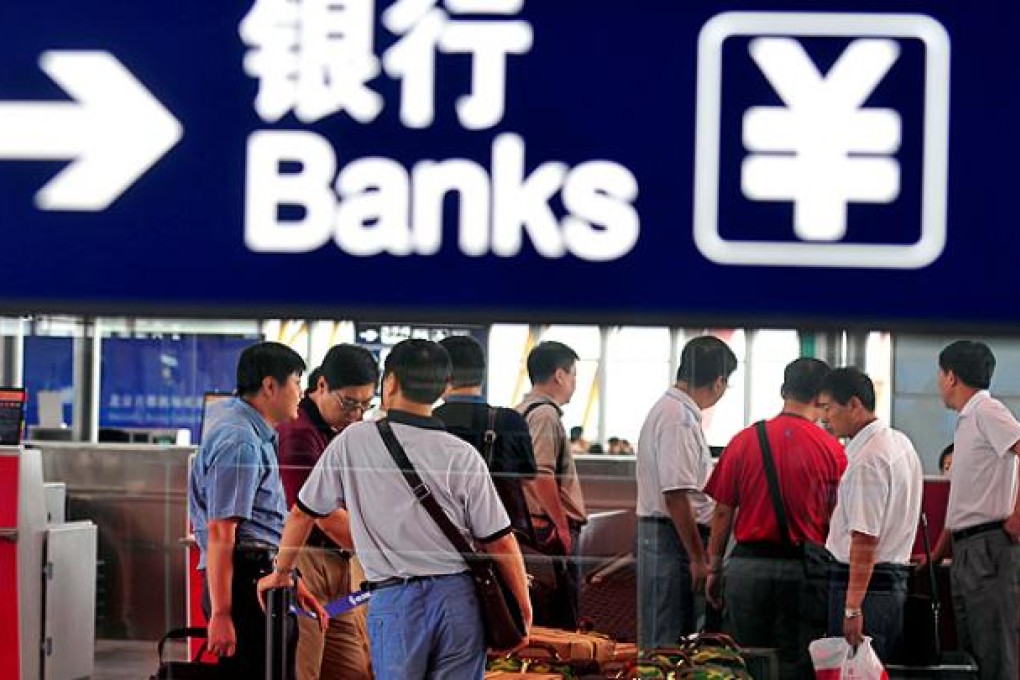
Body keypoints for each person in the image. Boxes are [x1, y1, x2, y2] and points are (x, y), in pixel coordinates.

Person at [258, 339, 532, 680]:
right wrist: (522, 608)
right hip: (459, 601)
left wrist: (281, 572)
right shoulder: (461, 455)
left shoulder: (353, 442)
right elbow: (500, 541)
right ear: (444, 388)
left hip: (397, 600)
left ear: (390, 383)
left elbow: (303, 512)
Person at [187, 341, 326, 678]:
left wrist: (293, 579)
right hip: (245, 586)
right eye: (296, 382)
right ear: (269, 386)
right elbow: (223, 532)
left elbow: (263, 524)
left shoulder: (254, 433)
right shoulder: (240, 441)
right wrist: (222, 613)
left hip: (260, 578)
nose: (300, 392)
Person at [704, 358, 845, 678]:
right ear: (822, 397)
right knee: (798, 659)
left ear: (784, 390)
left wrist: (714, 568)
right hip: (805, 570)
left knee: (746, 659)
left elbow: (723, 511)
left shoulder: (744, 441)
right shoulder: (832, 450)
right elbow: (839, 515)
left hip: (749, 568)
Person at [276, 344, 378, 680]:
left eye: (366, 405)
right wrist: (383, 550)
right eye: (350, 403)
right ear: (321, 385)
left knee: (353, 670)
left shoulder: (343, 432)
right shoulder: (298, 433)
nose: (357, 414)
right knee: (305, 669)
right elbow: (319, 513)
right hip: (307, 560)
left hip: (339, 565)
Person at [635, 335, 737, 648]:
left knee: (671, 631)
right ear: (719, 382)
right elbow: (675, 495)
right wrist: (697, 557)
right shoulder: (677, 419)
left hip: (671, 535)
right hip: (671, 538)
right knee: (666, 637)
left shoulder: (675, 411)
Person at [927, 341, 1020, 680]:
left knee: (993, 653)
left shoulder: (986, 410)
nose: (938, 382)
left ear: (951, 376)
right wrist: (937, 553)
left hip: (989, 546)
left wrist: (1017, 517)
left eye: (940, 373)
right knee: (972, 655)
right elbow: (964, 501)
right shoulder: (967, 421)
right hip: (966, 547)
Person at [820, 367, 923, 662]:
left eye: (828, 408)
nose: (825, 419)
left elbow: (864, 540)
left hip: (865, 587)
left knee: (855, 667)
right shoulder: (899, 442)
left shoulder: (868, 459)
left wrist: (852, 609)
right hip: (889, 582)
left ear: (853, 405)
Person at [433, 335, 538, 541]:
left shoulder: (429, 421)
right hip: (503, 536)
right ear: (482, 373)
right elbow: (528, 477)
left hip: (445, 538)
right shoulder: (510, 420)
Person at [515, 340, 588, 628]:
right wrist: (561, 526)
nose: (574, 383)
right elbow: (541, 473)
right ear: (559, 375)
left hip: (530, 529)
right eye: (573, 376)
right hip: (547, 531)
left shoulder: (520, 412)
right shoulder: (544, 415)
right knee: (561, 615)